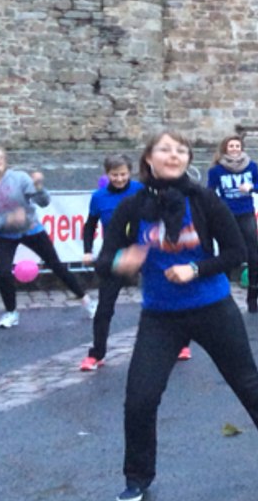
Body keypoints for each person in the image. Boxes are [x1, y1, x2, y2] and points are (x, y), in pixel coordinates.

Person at [95, 131, 258, 501]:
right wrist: (118, 262)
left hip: (212, 308)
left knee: (246, 382)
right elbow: (105, 258)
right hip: (160, 316)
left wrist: (196, 268)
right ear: (149, 159)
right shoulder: (132, 206)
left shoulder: (204, 200)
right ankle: (137, 478)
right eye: (164, 149)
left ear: (188, 159)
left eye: (180, 150)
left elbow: (235, 252)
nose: (173, 155)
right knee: (140, 398)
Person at [82, 154, 177, 370]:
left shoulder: (139, 191)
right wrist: (87, 250)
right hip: (115, 252)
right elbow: (90, 225)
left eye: (123, 174)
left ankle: (179, 343)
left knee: (165, 294)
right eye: (114, 175)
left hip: (144, 248)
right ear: (107, 174)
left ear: (130, 173)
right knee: (105, 306)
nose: (119, 179)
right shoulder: (99, 197)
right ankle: (97, 353)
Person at [0, 146, 94, 328]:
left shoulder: (19, 178)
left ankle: (87, 301)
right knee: (4, 272)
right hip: (5, 234)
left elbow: (43, 202)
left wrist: (38, 187)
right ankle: (11, 313)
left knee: (56, 265)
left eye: (1, 157)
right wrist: (8, 219)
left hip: (31, 229)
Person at [207, 135, 258, 313]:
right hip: (227, 215)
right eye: (231, 146)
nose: (234, 149)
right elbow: (210, 191)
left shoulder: (251, 166)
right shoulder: (216, 170)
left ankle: (253, 297)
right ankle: (224, 295)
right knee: (228, 256)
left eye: (237, 146)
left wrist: (251, 188)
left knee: (253, 255)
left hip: (246, 212)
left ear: (241, 148)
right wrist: (217, 206)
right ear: (225, 148)